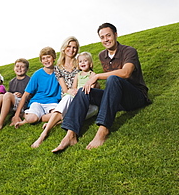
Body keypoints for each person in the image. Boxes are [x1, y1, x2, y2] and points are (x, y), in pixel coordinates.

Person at [52, 23, 151, 152]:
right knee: (83, 91)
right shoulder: (102, 55)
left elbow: (126, 73)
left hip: (135, 97)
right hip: (117, 98)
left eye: (108, 35)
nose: (106, 40)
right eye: (102, 37)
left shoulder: (129, 51)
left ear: (115, 35)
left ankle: (102, 131)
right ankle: (71, 134)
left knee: (113, 78)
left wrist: (97, 76)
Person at [31, 51, 98, 148]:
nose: (83, 63)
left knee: (95, 109)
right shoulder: (77, 75)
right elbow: (73, 88)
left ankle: (58, 122)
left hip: (86, 101)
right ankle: (43, 134)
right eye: (80, 61)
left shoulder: (93, 75)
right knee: (67, 98)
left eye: (85, 61)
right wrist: (74, 91)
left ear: (90, 63)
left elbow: (92, 88)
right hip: (75, 98)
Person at [12, 47, 62, 128]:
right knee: (32, 119)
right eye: (43, 58)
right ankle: (25, 115)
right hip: (38, 102)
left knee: (61, 114)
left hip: (52, 103)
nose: (46, 60)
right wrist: (16, 115)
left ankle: (38, 117)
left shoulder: (59, 72)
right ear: (41, 61)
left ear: (53, 58)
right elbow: (25, 94)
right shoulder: (37, 74)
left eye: (48, 57)